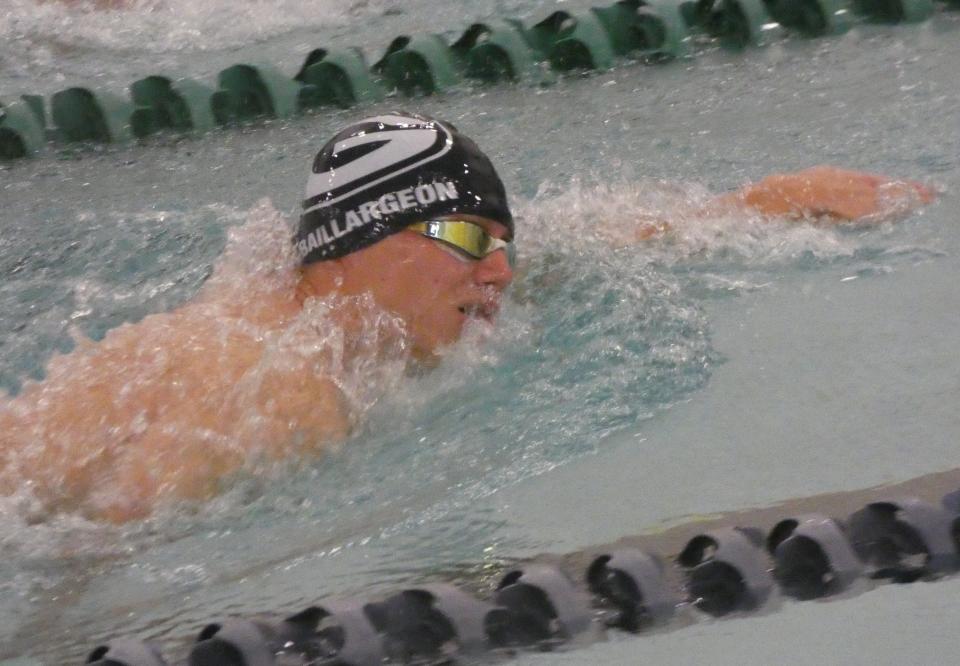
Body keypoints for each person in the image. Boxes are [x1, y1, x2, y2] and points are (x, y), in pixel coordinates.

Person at [0, 113, 934, 523]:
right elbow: (111, 539)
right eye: (461, 232)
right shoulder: (287, 385)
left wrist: (775, 200)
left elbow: (599, 233)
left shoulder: (311, 308)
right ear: (354, 242)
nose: (500, 268)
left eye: (502, 238)